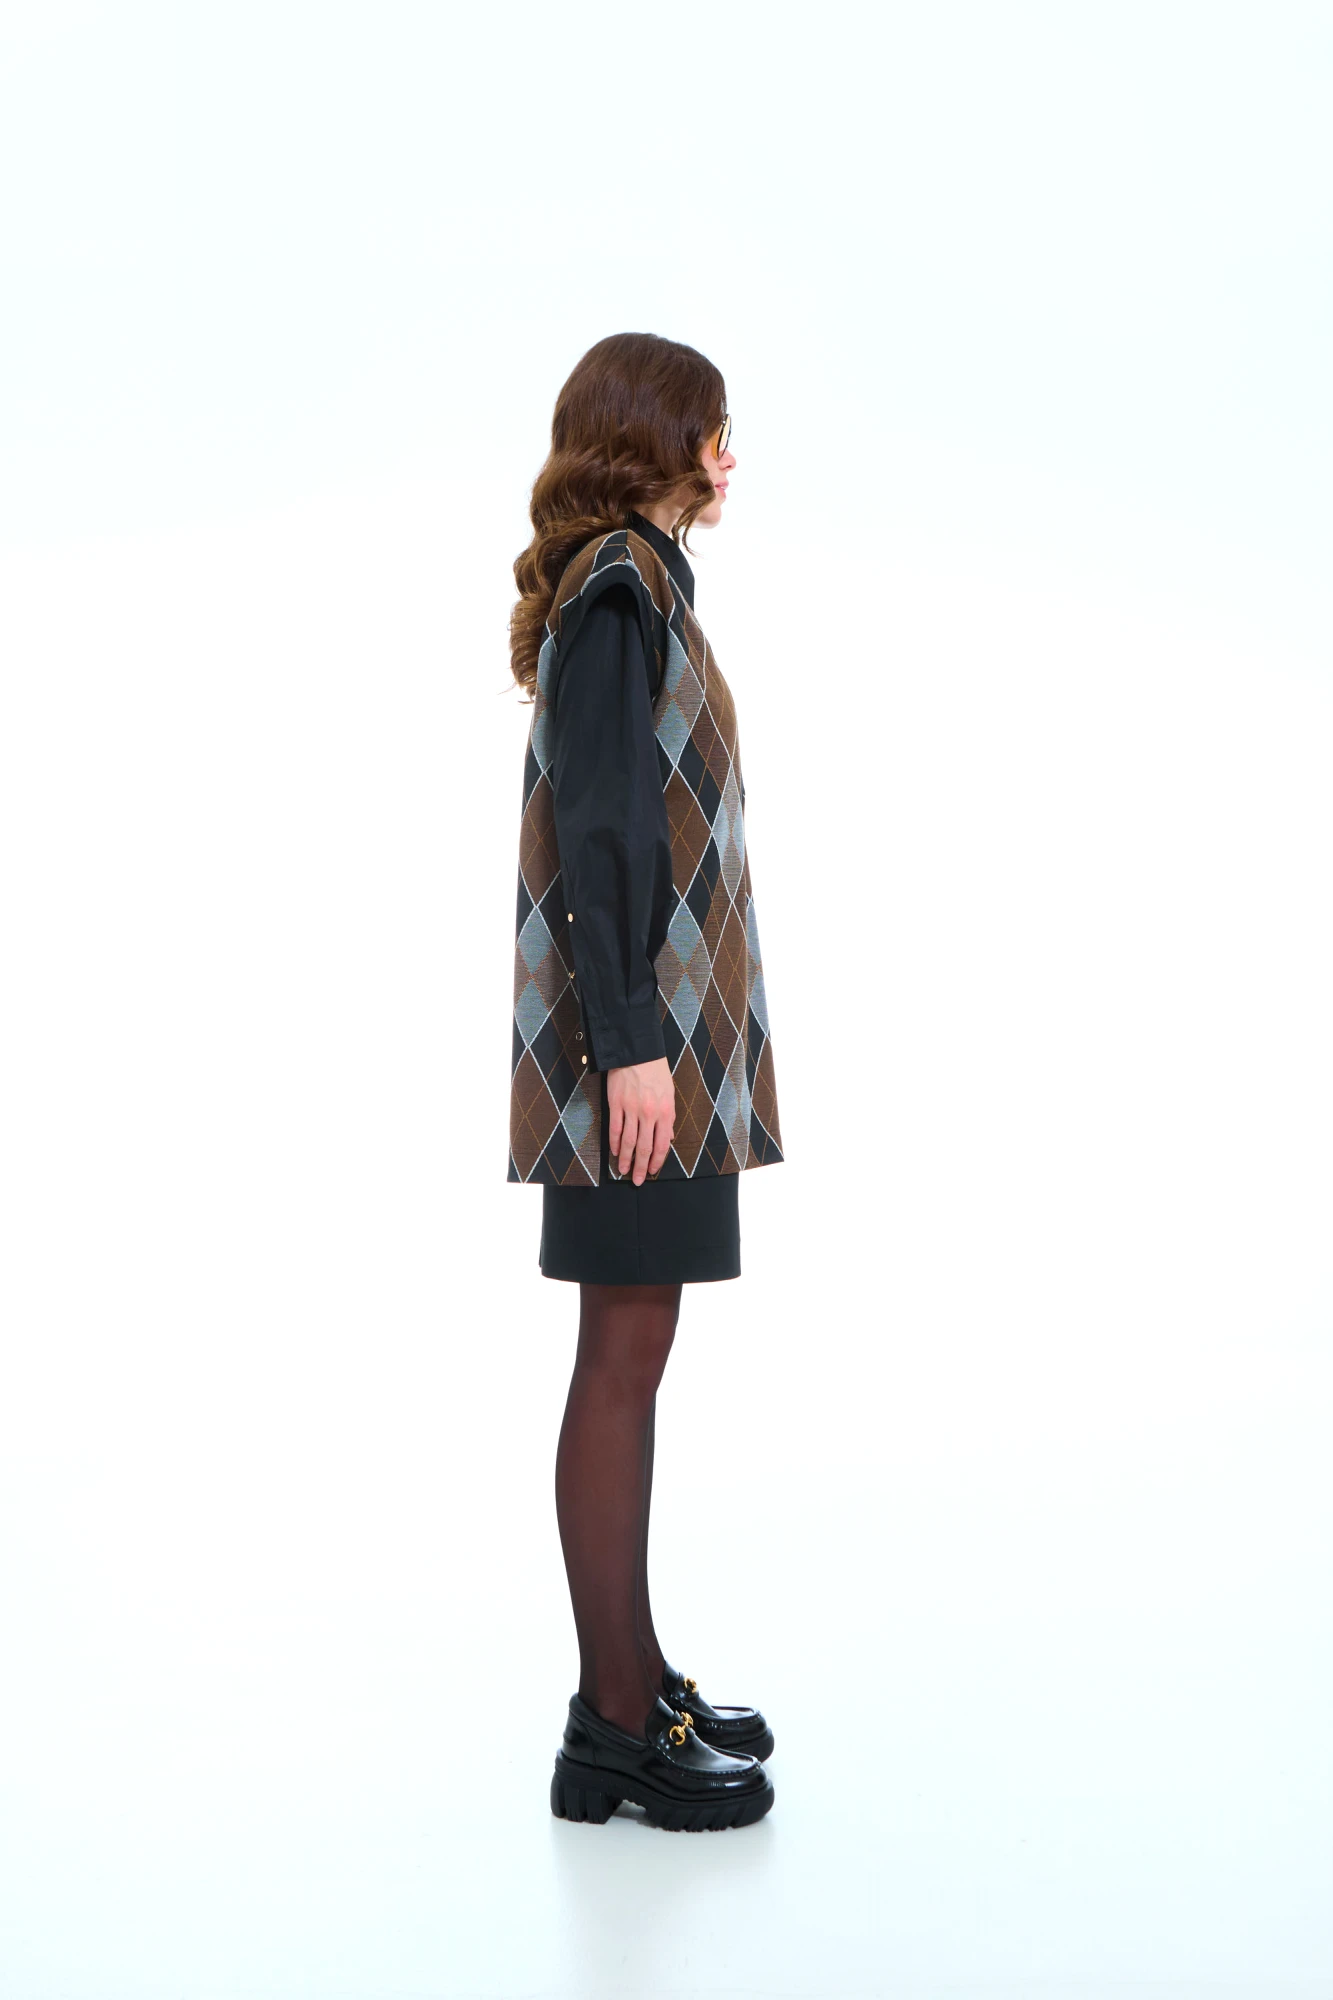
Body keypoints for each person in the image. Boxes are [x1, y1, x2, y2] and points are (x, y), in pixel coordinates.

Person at [506, 333, 785, 1832]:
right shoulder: (618, 589)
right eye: (712, 430)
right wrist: (629, 1046)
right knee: (621, 1355)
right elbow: (605, 829)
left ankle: (633, 1679)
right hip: (636, 1058)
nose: (730, 457)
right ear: (654, 438)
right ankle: (613, 1726)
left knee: (635, 1348)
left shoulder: (640, 583)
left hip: (652, 1051)